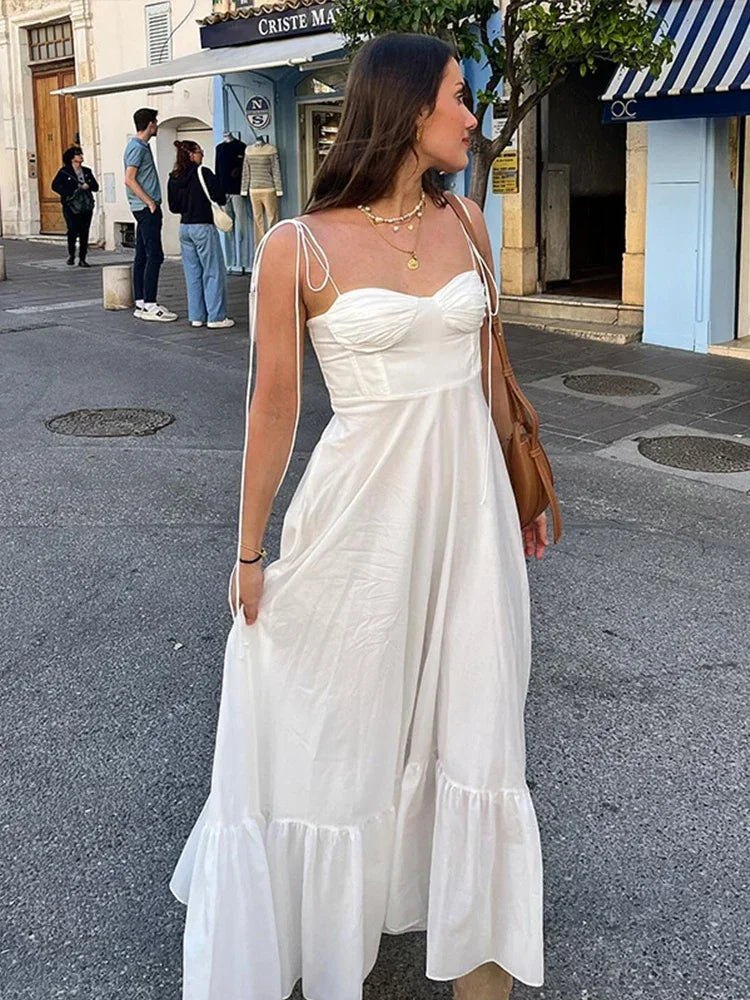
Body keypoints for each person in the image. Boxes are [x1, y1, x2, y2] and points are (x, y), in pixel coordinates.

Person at [170, 33, 550, 1000]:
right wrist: (250, 552)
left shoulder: (469, 222)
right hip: (359, 527)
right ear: (408, 108)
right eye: (458, 95)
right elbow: (273, 409)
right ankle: (318, 930)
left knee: (480, 729)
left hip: (469, 523)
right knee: (338, 731)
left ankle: (481, 963)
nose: (472, 114)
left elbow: (490, 376)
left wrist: (521, 493)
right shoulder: (295, 246)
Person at [167, 141, 235, 329]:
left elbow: (173, 207)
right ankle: (216, 317)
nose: (202, 155)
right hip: (203, 226)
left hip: (185, 228)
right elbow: (220, 197)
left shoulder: (174, 177)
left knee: (192, 274)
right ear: (191, 154)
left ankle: (196, 316)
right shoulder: (203, 172)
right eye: (199, 152)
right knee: (213, 272)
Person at [123, 107, 177, 322]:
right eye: (155, 122)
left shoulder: (139, 146)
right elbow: (129, 178)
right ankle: (150, 304)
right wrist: (149, 202)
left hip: (143, 207)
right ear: (150, 124)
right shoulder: (137, 148)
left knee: (143, 254)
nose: (157, 126)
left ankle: (141, 301)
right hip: (146, 208)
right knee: (155, 255)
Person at [51, 146, 98, 267]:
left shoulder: (87, 171)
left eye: (81, 154)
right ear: (72, 158)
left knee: (84, 231)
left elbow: (96, 187)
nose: (81, 156)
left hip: (85, 205)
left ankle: (82, 258)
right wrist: (70, 192)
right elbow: (55, 186)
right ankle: (71, 255)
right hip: (71, 205)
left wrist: (88, 185)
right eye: (78, 154)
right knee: (72, 229)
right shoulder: (64, 172)